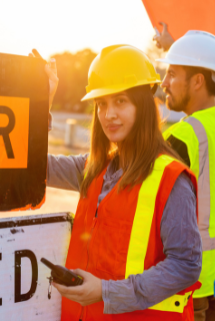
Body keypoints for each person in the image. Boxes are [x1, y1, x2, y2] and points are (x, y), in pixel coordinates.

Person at [38, 44, 203, 320]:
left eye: (121, 101)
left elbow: (186, 265)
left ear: (144, 104)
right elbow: (36, 167)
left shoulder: (171, 179)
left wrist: (106, 291)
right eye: (102, 104)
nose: (108, 114)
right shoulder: (95, 168)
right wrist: (42, 104)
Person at [155, 30, 215, 321]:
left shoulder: (184, 136)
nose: (164, 83)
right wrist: (177, 50)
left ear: (197, 81)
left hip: (189, 284)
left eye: (172, 73)